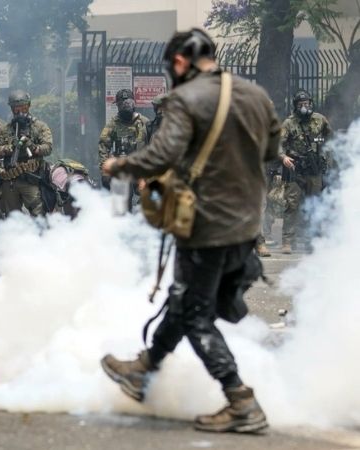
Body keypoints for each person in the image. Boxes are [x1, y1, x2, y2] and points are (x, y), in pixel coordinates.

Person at [100, 28, 280, 433]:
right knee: (184, 300)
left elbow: (161, 154)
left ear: (180, 62)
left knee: (196, 315)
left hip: (207, 226)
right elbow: (270, 152)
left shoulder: (186, 98)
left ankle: (241, 402)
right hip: (247, 224)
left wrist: (120, 166)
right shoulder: (255, 94)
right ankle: (144, 369)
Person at [280, 89, 331, 254]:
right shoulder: (289, 123)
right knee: (292, 205)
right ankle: (288, 241)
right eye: (301, 104)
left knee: (314, 205)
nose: (305, 107)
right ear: (296, 106)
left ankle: (312, 240)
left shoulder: (320, 120)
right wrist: (283, 157)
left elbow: (329, 138)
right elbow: (278, 143)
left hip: (313, 168)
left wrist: (324, 157)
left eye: (307, 104)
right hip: (295, 167)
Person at [0, 90, 53, 217]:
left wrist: (32, 146)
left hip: (31, 178)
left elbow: (48, 148)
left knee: (38, 214)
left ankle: (39, 237)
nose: (20, 111)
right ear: (12, 109)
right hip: (10, 179)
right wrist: (9, 148)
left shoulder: (39, 126)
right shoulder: (6, 129)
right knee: (12, 217)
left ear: (28, 106)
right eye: (16, 108)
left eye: (23, 107)